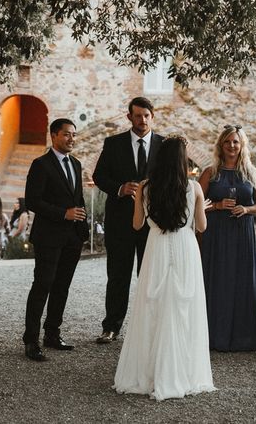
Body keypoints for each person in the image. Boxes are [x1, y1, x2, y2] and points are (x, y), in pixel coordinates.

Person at [114, 136, 215, 401]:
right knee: (184, 309)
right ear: (183, 161)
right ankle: (183, 372)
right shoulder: (193, 188)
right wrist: (199, 209)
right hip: (185, 249)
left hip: (156, 247)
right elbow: (202, 227)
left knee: (153, 307)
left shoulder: (145, 187)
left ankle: (149, 373)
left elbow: (137, 225)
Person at [92, 96, 165, 344]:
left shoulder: (164, 145)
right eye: (137, 116)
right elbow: (99, 176)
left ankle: (148, 329)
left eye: (146, 115)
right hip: (120, 223)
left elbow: (172, 179)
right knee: (118, 276)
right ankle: (111, 327)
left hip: (152, 224)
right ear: (129, 117)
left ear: (152, 116)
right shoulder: (113, 144)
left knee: (149, 277)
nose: (142, 120)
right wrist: (120, 188)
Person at [22, 118, 88, 362]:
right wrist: (64, 213)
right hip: (48, 237)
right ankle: (31, 340)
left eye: (74, 134)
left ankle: (52, 333)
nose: (72, 138)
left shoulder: (77, 164)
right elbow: (32, 201)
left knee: (62, 287)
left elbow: (77, 198)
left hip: (72, 238)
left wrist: (83, 227)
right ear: (54, 135)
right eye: (67, 134)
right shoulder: (41, 165)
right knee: (42, 286)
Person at [199, 125, 256, 351]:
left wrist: (246, 210)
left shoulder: (251, 173)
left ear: (242, 145)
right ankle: (212, 336)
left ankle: (243, 338)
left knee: (241, 280)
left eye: (236, 142)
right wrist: (217, 205)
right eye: (227, 142)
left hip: (241, 234)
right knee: (217, 280)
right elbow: (196, 205)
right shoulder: (210, 172)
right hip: (216, 234)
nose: (231, 146)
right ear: (221, 145)